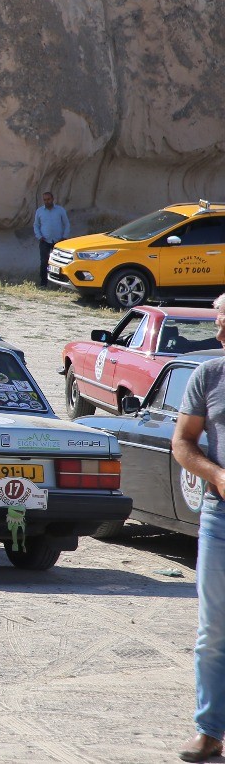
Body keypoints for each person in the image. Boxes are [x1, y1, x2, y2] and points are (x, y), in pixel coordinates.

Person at [175, 297, 225, 763]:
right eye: (218, 322)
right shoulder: (209, 376)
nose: (221, 331)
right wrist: (217, 475)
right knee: (214, 630)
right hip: (220, 517)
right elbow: (183, 443)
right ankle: (209, 730)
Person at [33, 191, 71, 287]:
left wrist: (64, 237)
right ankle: (43, 283)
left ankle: (59, 284)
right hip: (45, 241)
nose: (47, 201)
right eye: (45, 200)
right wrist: (39, 236)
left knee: (59, 263)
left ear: (53, 199)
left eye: (48, 199)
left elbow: (66, 224)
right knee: (44, 262)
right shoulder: (39, 211)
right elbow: (36, 225)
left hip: (58, 241)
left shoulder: (60, 210)